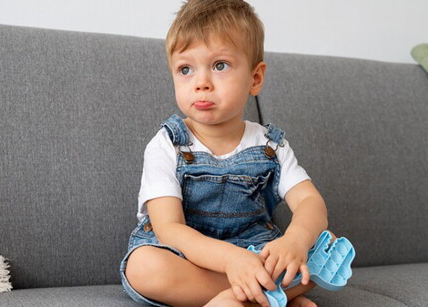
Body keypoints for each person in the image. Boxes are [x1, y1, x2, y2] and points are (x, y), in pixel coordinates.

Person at [120, 1, 329, 306]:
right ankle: (267, 294)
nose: (201, 84)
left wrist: (295, 240)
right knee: (144, 267)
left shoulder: (271, 145)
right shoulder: (168, 144)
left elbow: (311, 202)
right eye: (185, 69)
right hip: (187, 258)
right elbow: (170, 229)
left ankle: (242, 296)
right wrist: (232, 261)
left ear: (255, 79)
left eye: (219, 65)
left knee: (325, 245)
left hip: (254, 252)